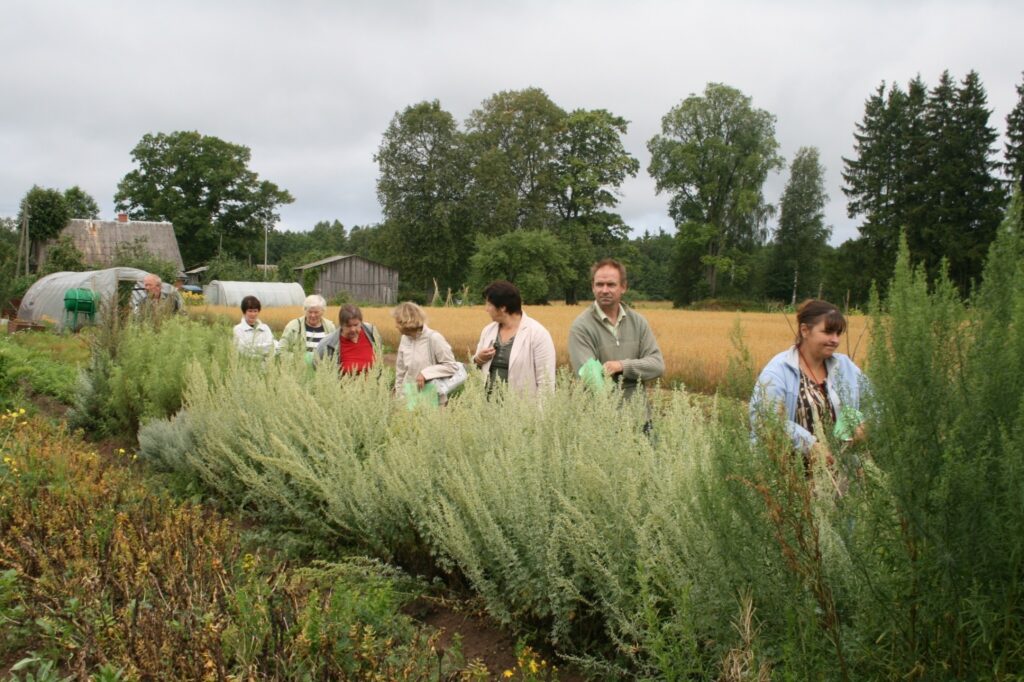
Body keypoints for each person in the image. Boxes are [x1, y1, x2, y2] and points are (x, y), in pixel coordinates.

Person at [749, 299, 868, 462]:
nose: (835, 340)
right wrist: (811, 446)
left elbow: (876, 403)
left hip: (840, 472)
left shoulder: (846, 367)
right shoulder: (778, 370)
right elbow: (766, 420)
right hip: (788, 474)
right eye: (828, 332)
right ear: (805, 330)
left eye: (838, 333)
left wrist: (864, 425)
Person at [568, 258, 664, 402]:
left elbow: (657, 365)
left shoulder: (638, 322)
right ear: (592, 287)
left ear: (623, 287)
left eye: (611, 285)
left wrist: (621, 366)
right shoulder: (581, 327)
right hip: (601, 418)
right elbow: (592, 379)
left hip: (640, 416)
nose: (604, 290)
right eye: (599, 284)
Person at [471, 280, 556, 395]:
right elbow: (475, 369)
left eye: (489, 304)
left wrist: (540, 413)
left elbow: (546, 382)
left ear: (503, 308)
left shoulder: (538, 334)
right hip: (487, 409)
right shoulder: (488, 331)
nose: (486, 309)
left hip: (522, 410)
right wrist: (478, 359)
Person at [392, 301, 461, 399]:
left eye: (398, 322)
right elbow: (400, 371)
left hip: (432, 398)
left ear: (407, 322)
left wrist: (425, 373)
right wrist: (399, 395)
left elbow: (451, 366)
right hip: (409, 398)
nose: (396, 326)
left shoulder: (434, 338)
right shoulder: (404, 339)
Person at [313, 304, 383, 375]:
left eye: (356, 325)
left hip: (372, 385)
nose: (353, 329)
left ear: (361, 322)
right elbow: (316, 364)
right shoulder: (328, 344)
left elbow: (379, 360)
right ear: (341, 325)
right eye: (348, 326)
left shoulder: (371, 333)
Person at [281, 295, 336, 359]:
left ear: (323, 311)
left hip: (323, 367)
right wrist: (301, 358)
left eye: (316, 312)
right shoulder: (293, 326)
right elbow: (281, 351)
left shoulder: (330, 327)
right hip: (299, 367)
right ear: (305, 310)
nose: (313, 315)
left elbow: (335, 351)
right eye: (310, 312)